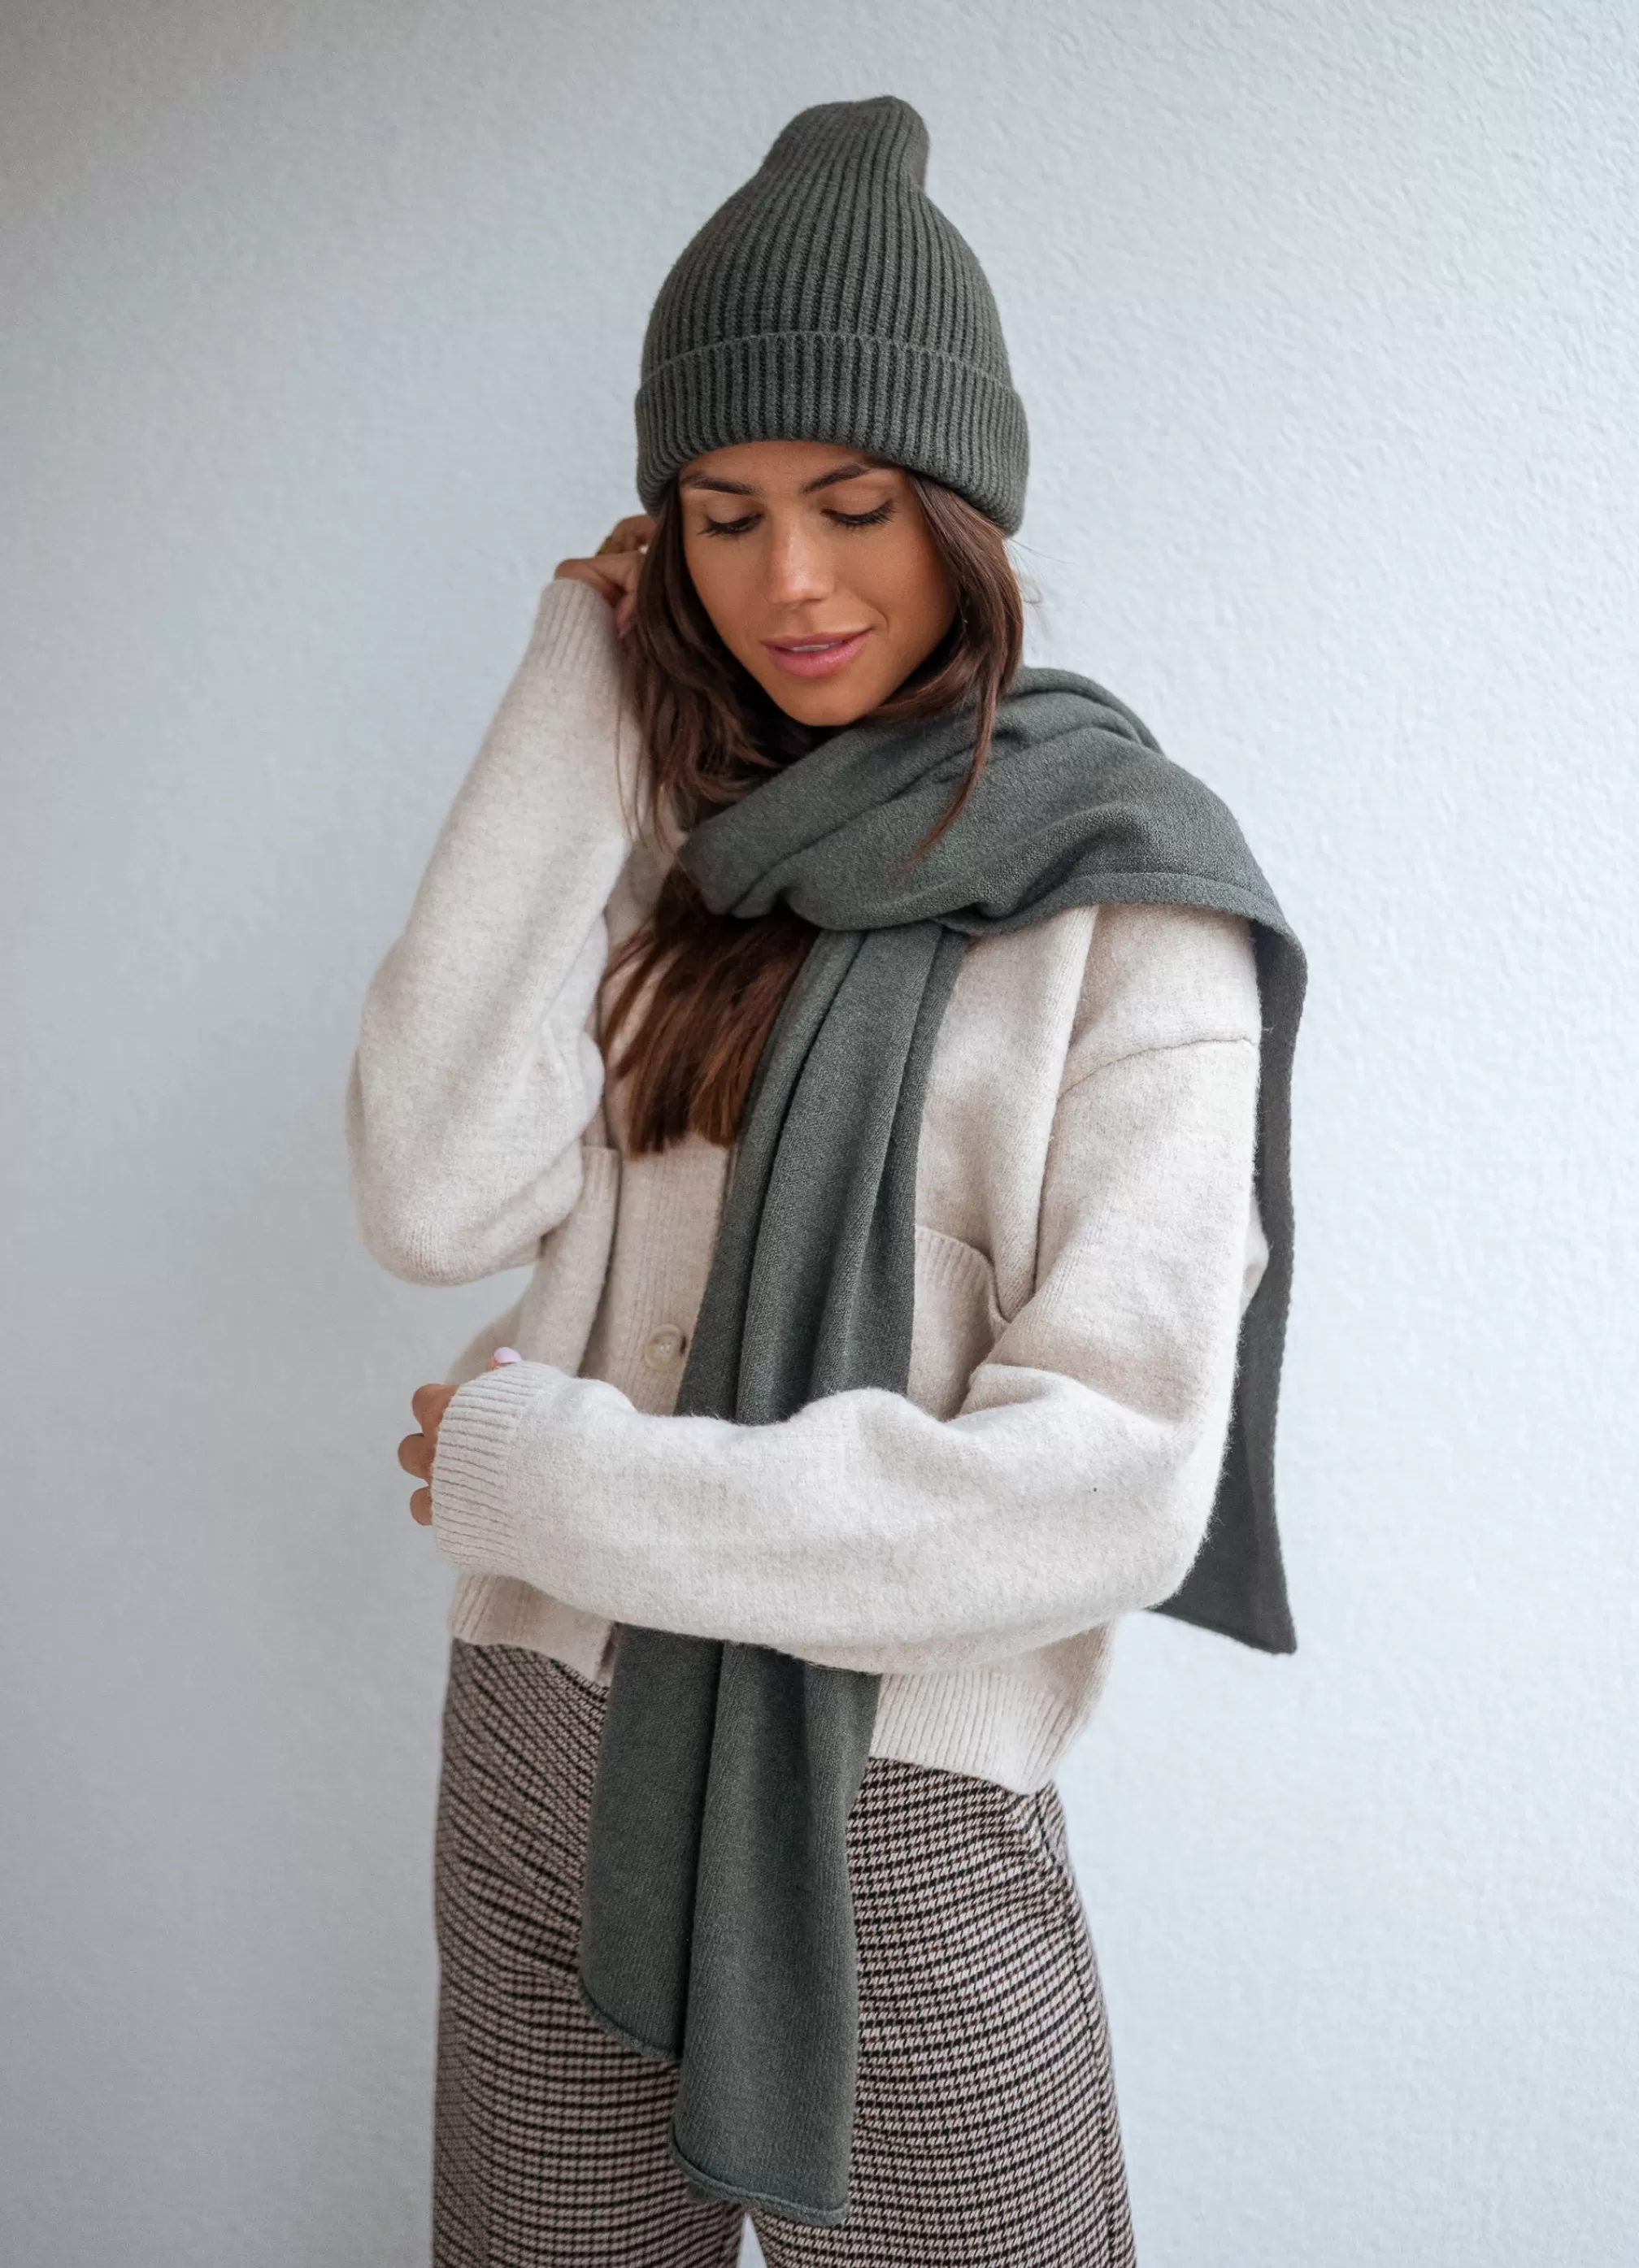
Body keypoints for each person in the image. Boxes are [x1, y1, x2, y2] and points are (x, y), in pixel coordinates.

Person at [349, 93, 1302, 2268]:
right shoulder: (672, 859)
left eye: (856, 506)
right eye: (724, 514)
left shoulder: (1131, 899)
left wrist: (561, 1481)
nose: (790, 580)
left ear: (965, 512)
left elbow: (1108, 1482)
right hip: (540, 1760)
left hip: (893, 1814)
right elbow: (427, 1193)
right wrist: (573, 692)